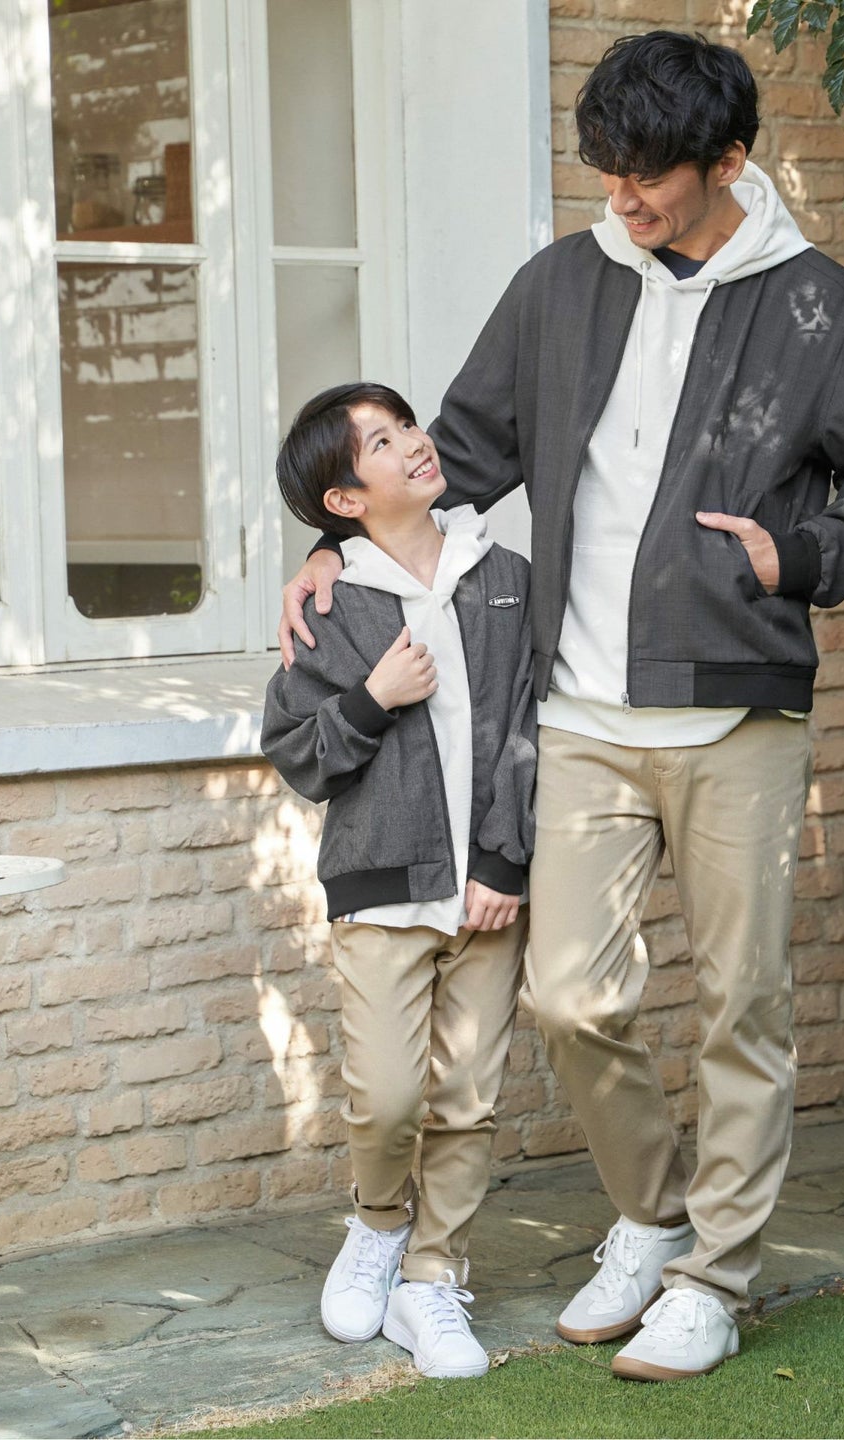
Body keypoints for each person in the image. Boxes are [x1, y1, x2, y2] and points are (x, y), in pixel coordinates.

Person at [279, 33, 844, 1381]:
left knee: (742, 1005)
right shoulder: (562, 285)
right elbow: (458, 455)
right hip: (579, 712)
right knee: (572, 999)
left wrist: (794, 556)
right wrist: (333, 548)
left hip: (736, 710)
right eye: (607, 173)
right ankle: (653, 1213)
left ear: (727, 163)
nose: (621, 201)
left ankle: (715, 1276)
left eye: (647, 179)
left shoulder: (816, 304)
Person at [261, 382, 536, 1380]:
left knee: (466, 1100)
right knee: (384, 1099)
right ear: (345, 499)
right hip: (383, 888)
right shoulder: (332, 602)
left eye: (406, 425)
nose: (414, 443)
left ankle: (432, 1275)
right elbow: (296, 751)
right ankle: (380, 1223)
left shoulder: (506, 577)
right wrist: (372, 700)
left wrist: (505, 860)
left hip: (488, 893)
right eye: (380, 442)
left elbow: (531, 724)